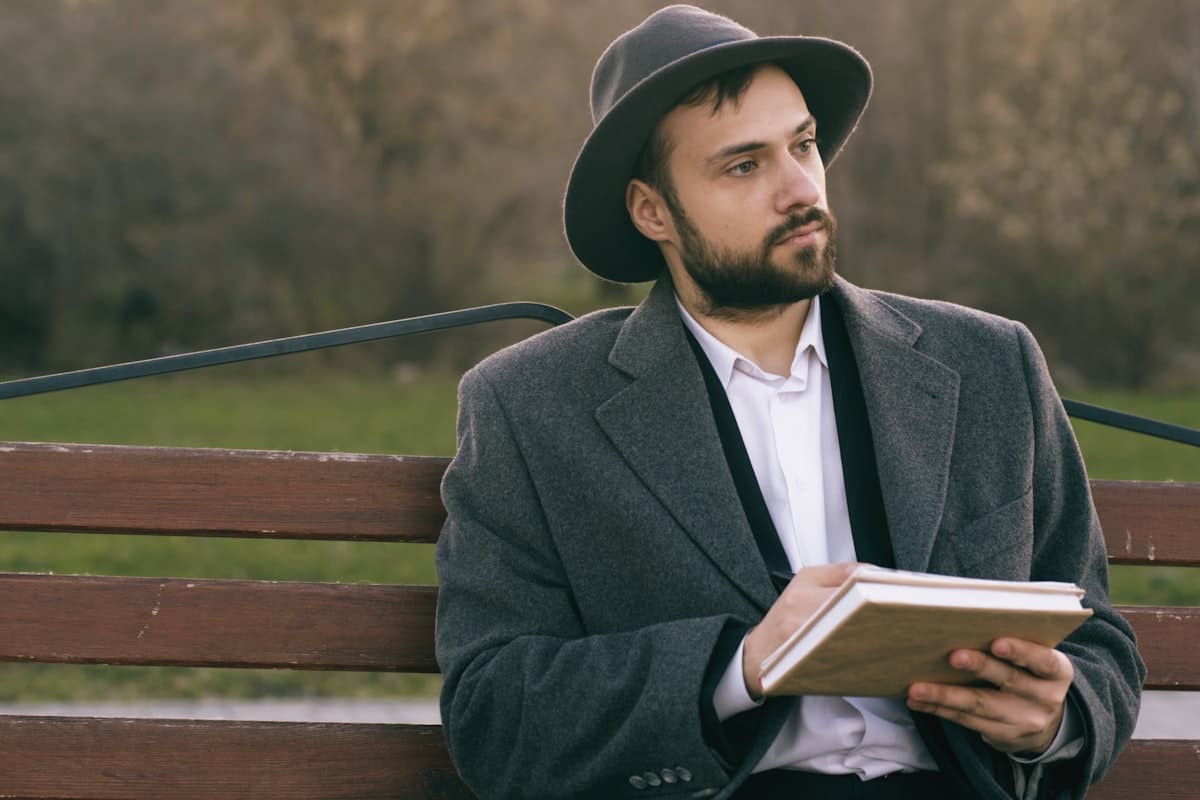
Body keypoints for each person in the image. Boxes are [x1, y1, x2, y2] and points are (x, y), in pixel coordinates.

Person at [435, 5, 1144, 799]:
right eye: (744, 166)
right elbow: (492, 713)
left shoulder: (988, 364)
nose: (801, 188)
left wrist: (1055, 720)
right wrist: (736, 668)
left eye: (802, 145)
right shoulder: (529, 407)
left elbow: (1100, 646)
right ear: (651, 210)